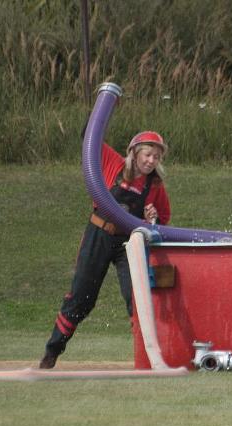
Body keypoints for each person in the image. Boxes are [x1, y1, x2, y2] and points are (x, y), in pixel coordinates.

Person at [39, 131, 171, 369]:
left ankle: (145, 360)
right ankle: (51, 353)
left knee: (137, 298)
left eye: (157, 157)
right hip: (99, 234)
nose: (151, 161)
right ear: (135, 152)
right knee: (81, 299)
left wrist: (154, 217)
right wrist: (109, 96)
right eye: (148, 154)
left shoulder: (156, 186)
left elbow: (163, 223)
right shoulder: (114, 163)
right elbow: (87, 134)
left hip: (128, 243)